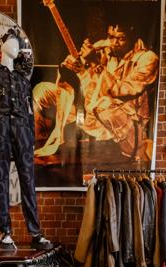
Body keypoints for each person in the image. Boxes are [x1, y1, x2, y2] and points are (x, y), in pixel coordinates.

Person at [33, 21, 159, 162]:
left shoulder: (148, 58)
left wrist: (94, 64)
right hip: (92, 110)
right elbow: (84, 76)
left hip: (125, 119)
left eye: (121, 38)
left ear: (134, 35)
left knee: (103, 105)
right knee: (42, 90)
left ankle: (128, 150)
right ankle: (55, 139)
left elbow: (119, 91)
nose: (114, 42)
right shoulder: (103, 47)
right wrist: (73, 65)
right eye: (111, 36)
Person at [0, 30, 53, 251]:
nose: (15, 46)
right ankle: (5, 232)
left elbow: (30, 110)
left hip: (21, 127)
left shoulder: (22, 78)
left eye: (18, 43)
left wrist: (30, 134)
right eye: (11, 42)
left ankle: (35, 232)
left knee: (27, 178)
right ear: (1, 46)